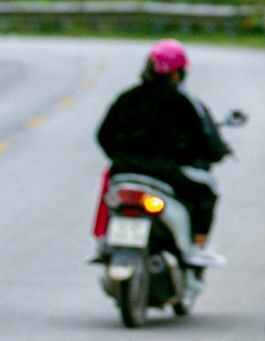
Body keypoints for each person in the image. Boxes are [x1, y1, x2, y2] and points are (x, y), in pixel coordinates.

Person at [96, 40, 230, 267]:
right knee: (206, 191)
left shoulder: (128, 97)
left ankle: (102, 243)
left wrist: (122, 157)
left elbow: (103, 135)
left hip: (124, 169)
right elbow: (206, 144)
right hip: (164, 172)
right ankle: (199, 246)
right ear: (177, 74)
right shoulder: (184, 102)